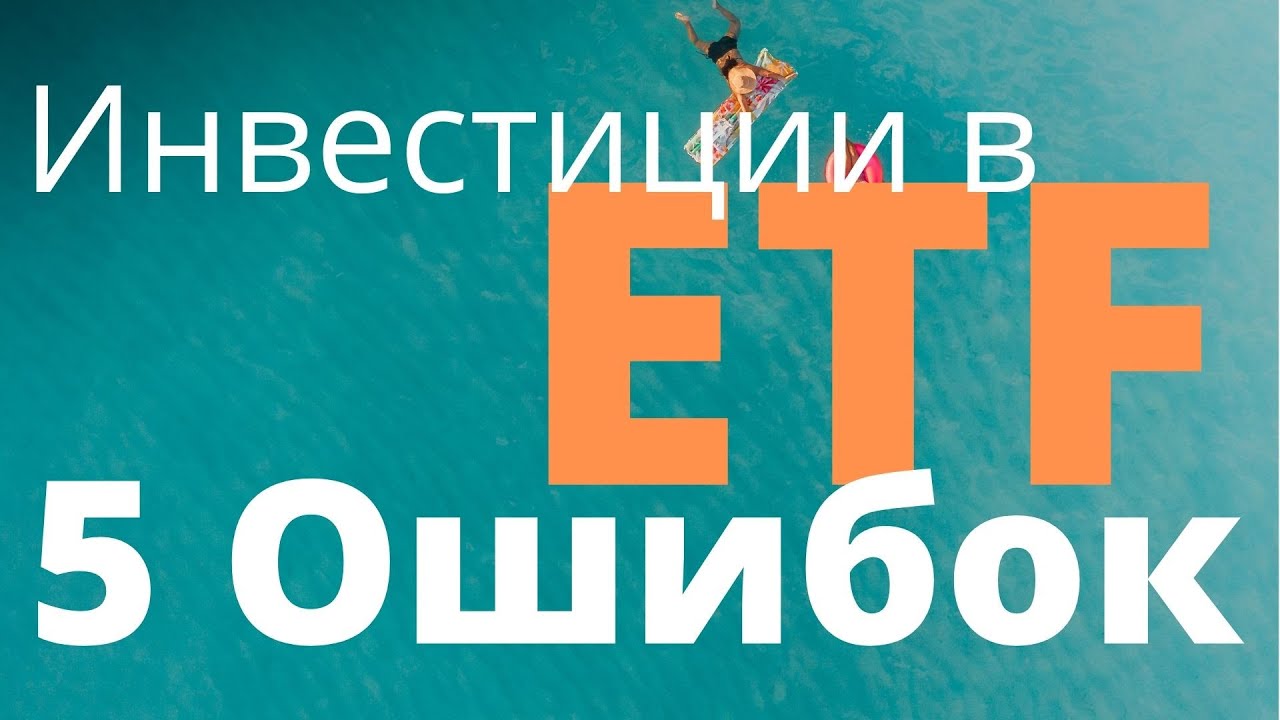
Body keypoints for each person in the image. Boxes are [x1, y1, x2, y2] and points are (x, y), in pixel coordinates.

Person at [675, 1, 785, 111]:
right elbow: (766, 75)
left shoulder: (744, 70)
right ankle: (695, 18)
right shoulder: (735, 80)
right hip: (717, 52)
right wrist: (783, 79)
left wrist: (782, 79)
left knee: (735, 22)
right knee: (697, 42)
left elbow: (766, 75)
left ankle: (694, 18)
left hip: (726, 47)